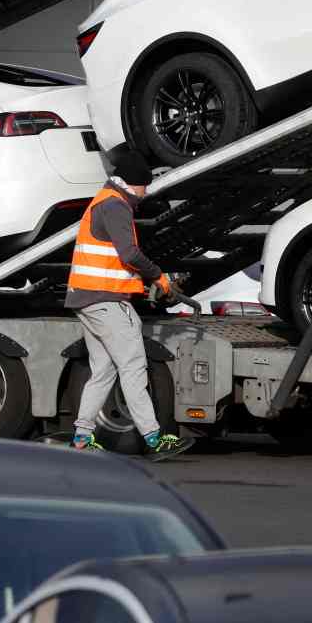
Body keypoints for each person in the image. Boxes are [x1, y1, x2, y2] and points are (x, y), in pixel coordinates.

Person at [67, 144, 188, 458]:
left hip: (88, 298)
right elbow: (129, 254)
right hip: (105, 300)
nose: (146, 192)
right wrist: (158, 276)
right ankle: (153, 438)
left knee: (104, 371)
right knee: (133, 367)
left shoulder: (104, 200)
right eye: (145, 185)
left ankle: (81, 437)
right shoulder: (115, 205)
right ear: (133, 183)